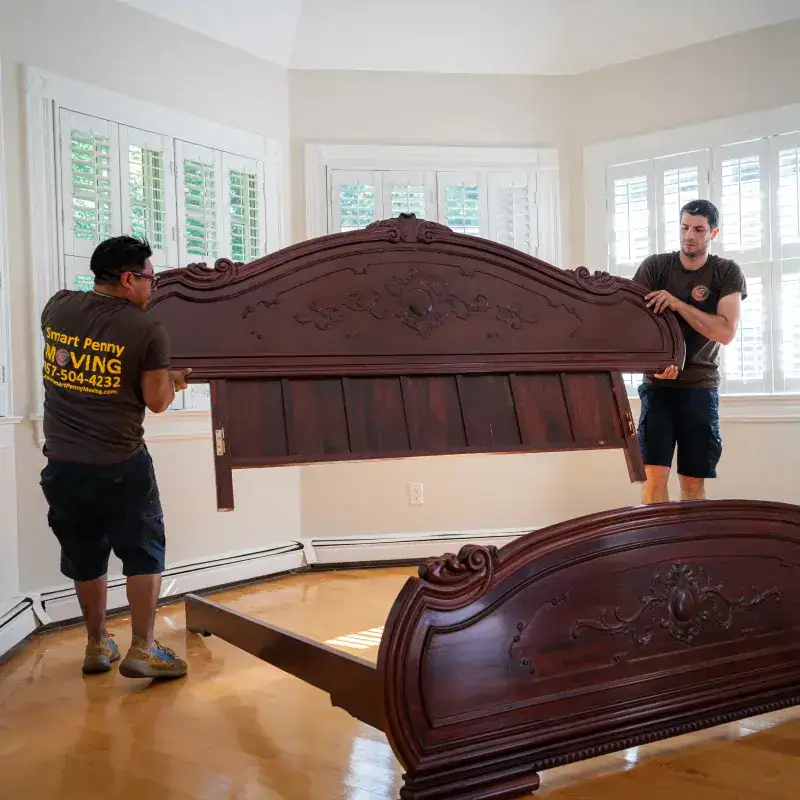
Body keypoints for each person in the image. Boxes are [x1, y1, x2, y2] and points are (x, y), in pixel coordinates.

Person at [39, 235, 191, 678]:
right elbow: (157, 401)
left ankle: (96, 644)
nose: (152, 287)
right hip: (121, 465)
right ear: (128, 279)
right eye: (149, 279)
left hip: (62, 466)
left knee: (85, 555)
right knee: (143, 553)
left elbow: (74, 358)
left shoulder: (57, 307)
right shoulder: (145, 330)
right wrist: (175, 380)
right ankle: (143, 648)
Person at [632, 199, 746, 504]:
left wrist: (677, 303)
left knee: (693, 483)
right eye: (684, 227)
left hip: (700, 388)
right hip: (657, 387)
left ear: (713, 233)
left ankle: (692, 538)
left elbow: (725, 332)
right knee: (654, 479)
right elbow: (632, 327)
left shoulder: (726, 272)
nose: (689, 236)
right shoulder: (655, 267)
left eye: (698, 229)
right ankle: (657, 538)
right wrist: (654, 366)